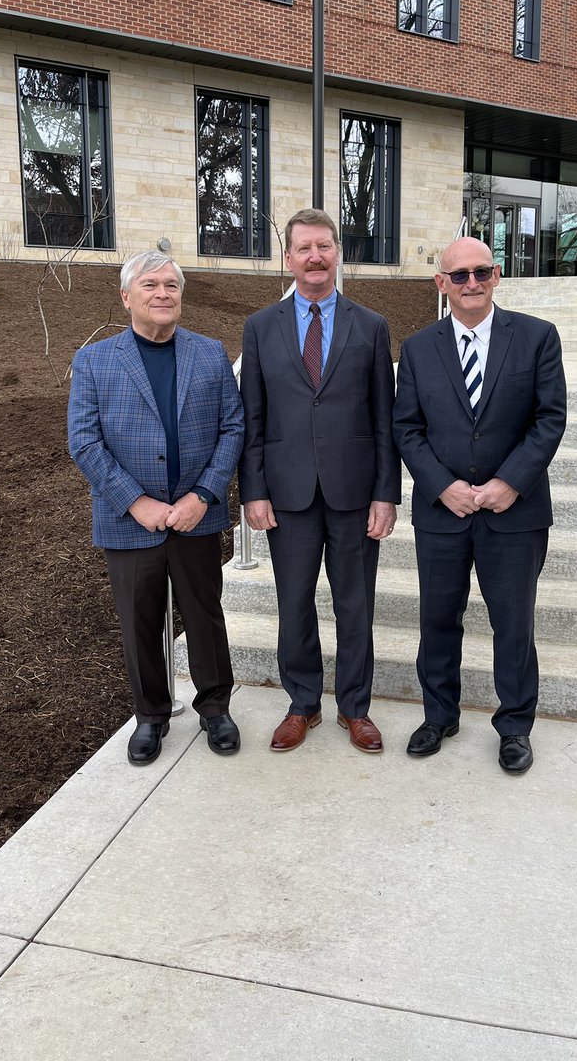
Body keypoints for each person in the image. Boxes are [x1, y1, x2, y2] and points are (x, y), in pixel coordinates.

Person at [392, 237, 567, 773]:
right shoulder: (420, 348)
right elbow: (407, 427)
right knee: (437, 619)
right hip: (442, 512)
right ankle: (439, 714)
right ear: (440, 284)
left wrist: (510, 483)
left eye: (482, 272)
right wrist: (442, 485)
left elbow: (549, 418)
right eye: (460, 275)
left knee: (513, 623)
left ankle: (515, 726)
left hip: (515, 513)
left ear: (496, 277)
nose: (472, 283)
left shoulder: (537, 337)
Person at [68, 250, 244, 765]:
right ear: (127, 297)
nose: (163, 293)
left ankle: (216, 708)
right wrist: (135, 501)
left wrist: (204, 494)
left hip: (196, 518)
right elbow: (84, 442)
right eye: (150, 285)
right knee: (140, 622)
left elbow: (233, 428)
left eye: (171, 285)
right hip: (129, 523)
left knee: (206, 618)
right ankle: (150, 716)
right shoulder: (95, 361)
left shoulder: (210, 354)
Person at [239, 208, 401, 753]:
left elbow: (384, 418)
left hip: (355, 494)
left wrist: (386, 492)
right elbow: (252, 417)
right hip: (288, 495)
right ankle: (302, 703)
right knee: (295, 603)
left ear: (338, 254)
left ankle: (355, 708)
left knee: (356, 604)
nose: (315, 256)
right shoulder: (261, 327)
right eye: (304, 248)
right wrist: (253, 490)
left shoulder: (371, 325)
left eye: (324, 247)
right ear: (288, 258)